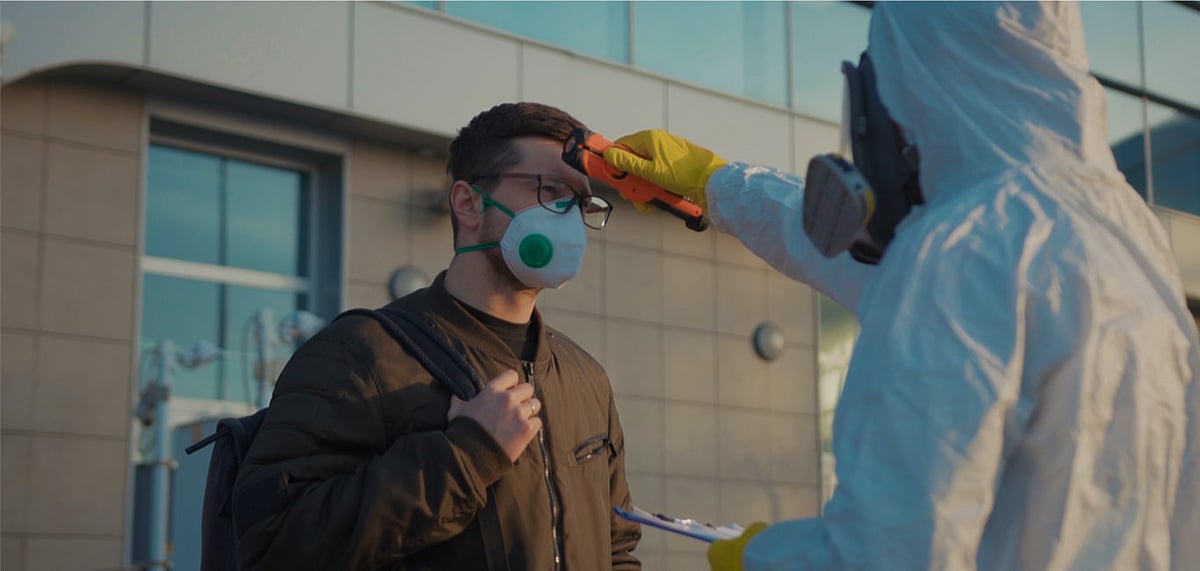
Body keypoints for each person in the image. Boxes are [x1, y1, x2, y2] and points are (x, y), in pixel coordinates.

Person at [600, 3, 1198, 570]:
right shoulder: (1127, 239)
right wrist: (719, 183)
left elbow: (890, 552)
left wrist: (762, 556)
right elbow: (864, 260)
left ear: (921, 82)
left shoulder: (964, 246)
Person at [233, 102, 642, 570]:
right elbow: (274, 544)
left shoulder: (584, 377)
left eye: (582, 202)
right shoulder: (360, 353)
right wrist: (467, 455)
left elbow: (617, 547)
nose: (570, 218)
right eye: (551, 191)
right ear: (468, 203)